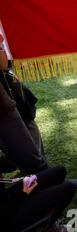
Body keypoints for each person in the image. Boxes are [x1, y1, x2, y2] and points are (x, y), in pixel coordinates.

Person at [0, 34, 47, 174]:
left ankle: (40, 174)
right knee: (23, 138)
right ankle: (39, 176)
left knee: (26, 128)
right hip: (4, 103)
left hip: (8, 94)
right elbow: (3, 63)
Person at [0, 165, 77, 232]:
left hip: (7, 198)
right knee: (67, 189)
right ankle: (44, 228)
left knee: (59, 171)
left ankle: (41, 210)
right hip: (6, 219)